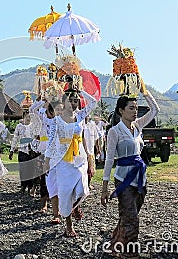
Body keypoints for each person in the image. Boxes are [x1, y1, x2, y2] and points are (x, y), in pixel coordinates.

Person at [100, 82, 159, 258]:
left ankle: (116, 243)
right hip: (123, 178)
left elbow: (155, 110)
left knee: (129, 214)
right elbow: (109, 159)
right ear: (120, 111)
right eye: (131, 108)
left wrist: (144, 91)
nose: (135, 111)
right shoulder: (114, 132)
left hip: (140, 177)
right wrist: (104, 187)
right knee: (132, 217)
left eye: (135, 108)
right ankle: (130, 252)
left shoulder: (138, 126)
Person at [46, 88, 97, 237]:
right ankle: (69, 225)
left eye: (76, 100)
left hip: (79, 158)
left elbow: (93, 102)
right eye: (71, 100)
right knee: (65, 192)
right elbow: (50, 142)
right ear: (64, 102)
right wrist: (47, 162)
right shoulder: (57, 120)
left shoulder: (80, 116)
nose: (74, 103)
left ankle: (75, 207)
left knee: (82, 190)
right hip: (63, 161)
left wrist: (81, 91)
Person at [9, 111, 36, 195]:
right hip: (22, 150)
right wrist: (12, 150)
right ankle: (23, 186)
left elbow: (36, 137)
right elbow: (15, 138)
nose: (28, 119)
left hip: (31, 150)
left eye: (30, 117)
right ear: (23, 117)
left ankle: (30, 187)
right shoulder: (19, 126)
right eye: (27, 117)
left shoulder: (33, 127)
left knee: (31, 169)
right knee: (23, 169)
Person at [84, 115, 100, 188]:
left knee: (91, 169)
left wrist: (98, 148)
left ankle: (88, 184)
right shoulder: (80, 125)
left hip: (91, 151)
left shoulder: (92, 125)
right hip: (82, 152)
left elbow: (96, 138)